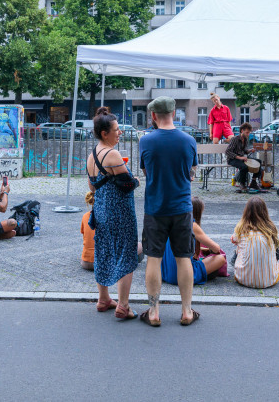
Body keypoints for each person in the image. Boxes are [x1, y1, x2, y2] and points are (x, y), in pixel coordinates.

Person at [139, 96, 199, 327]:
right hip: (182, 208)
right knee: (183, 258)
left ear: (153, 116)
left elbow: (146, 172)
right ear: (174, 113)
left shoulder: (146, 141)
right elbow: (192, 172)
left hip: (155, 208)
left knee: (153, 258)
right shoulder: (189, 140)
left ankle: (154, 311)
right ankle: (186, 311)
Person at [86, 107, 140, 319]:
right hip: (119, 211)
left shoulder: (92, 155)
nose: (120, 133)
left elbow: (92, 187)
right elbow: (128, 184)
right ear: (104, 133)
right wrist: (134, 179)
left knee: (105, 251)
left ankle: (103, 299)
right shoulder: (112, 154)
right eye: (116, 130)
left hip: (100, 210)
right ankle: (123, 306)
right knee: (126, 253)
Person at [161, 197, 227, 286]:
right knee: (221, 258)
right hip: (181, 275)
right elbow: (216, 248)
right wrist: (211, 251)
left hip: (165, 272)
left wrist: (203, 249)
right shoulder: (191, 224)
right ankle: (200, 274)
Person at [230, 197, 279, 289]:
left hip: (243, 279)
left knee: (239, 247)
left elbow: (233, 240)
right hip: (270, 280)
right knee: (278, 248)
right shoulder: (271, 228)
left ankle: (241, 267)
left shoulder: (241, 228)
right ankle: (267, 268)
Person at [225, 122, 263, 193]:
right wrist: (239, 157)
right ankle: (242, 184)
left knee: (259, 162)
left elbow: (244, 151)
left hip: (241, 158)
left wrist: (250, 150)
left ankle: (253, 182)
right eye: (247, 132)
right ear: (242, 131)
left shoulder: (245, 139)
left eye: (249, 133)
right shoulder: (234, 139)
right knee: (244, 167)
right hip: (232, 159)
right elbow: (228, 152)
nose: (248, 134)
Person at [80, 191, 96, 272]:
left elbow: (84, 233)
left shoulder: (85, 216)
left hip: (85, 261)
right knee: (138, 246)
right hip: (102, 262)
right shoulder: (109, 216)